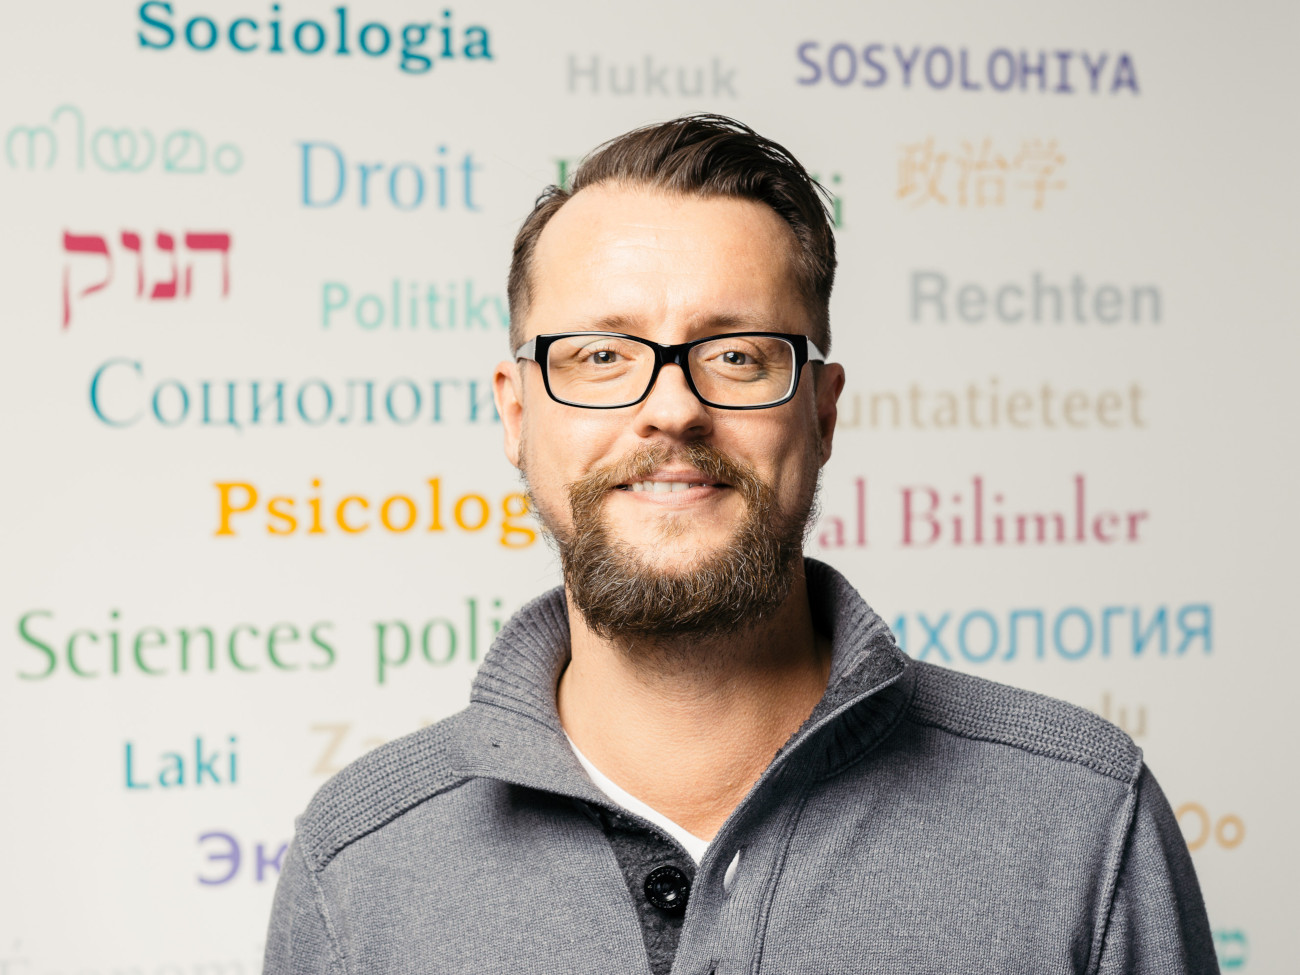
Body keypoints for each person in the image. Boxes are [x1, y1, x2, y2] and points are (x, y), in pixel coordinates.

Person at [263, 115, 1217, 974]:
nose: (672, 408)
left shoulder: (1085, 820)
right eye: (601, 355)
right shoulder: (357, 870)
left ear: (823, 410)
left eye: (736, 356)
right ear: (517, 416)